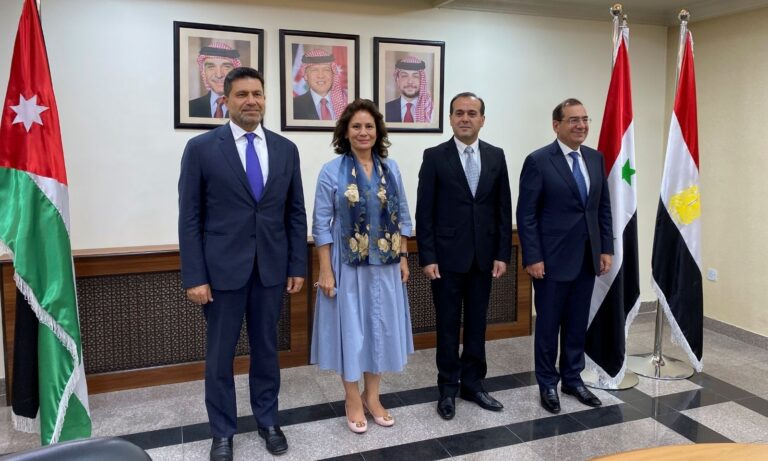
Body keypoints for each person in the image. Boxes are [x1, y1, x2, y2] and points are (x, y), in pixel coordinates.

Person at [178, 67, 307, 459]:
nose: (251, 101)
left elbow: (295, 213)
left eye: (257, 94)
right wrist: (195, 276)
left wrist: (297, 265)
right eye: (242, 94)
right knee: (220, 356)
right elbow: (190, 217)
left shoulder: (286, 149)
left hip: (270, 271)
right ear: (225, 101)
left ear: (265, 99)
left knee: (266, 350)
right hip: (221, 274)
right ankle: (222, 432)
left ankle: (268, 420)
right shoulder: (201, 148)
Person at [311, 99, 414, 434]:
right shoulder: (331, 171)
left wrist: (403, 256)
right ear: (345, 132)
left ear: (378, 131)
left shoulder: (391, 168)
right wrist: (325, 270)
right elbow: (321, 224)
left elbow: (403, 216)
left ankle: (373, 396)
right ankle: (352, 398)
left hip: (385, 265)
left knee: (378, 329)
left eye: (369, 126)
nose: (363, 132)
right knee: (352, 332)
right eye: (356, 126)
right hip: (347, 265)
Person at [415, 92, 512, 420]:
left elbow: (503, 208)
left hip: (483, 259)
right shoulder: (434, 157)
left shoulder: (496, 156)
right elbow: (424, 211)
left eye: (472, 113)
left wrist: (502, 253)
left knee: (477, 324)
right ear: (450, 118)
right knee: (446, 325)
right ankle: (447, 388)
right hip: (445, 260)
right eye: (459, 113)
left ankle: (473, 384)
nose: (465, 118)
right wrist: (427, 256)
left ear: (482, 119)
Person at [516, 98, 613, 415]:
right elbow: (526, 214)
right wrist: (533, 257)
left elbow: (601, 207)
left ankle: (573, 378)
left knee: (576, 324)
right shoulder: (538, 161)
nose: (581, 125)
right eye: (573, 120)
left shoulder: (595, 159)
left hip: (587, 258)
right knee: (547, 326)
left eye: (584, 119)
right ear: (556, 125)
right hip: (551, 261)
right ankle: (547, 383)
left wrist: (605, 248)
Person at [188, 41, 241, 118]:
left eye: (226, 67)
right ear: (204, 71)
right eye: (211, 67)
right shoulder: (190, 107)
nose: (219, 75)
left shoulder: (244, 107)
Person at [293, 49, 347, 120]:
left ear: (333, 73)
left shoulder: (346, 102)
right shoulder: (294, 106)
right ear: (305, 75)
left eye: (326, 70)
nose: (321, 76)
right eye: (314, 70)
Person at [384, 56, 434, 123]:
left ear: (422, 80)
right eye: (404, 76)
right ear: (397, 80)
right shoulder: (385, 109)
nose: (410, 81)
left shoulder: (431, 110)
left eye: (415, 76)